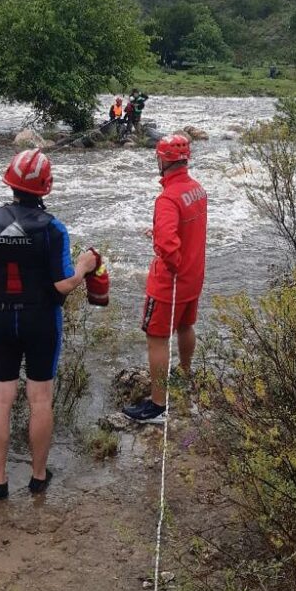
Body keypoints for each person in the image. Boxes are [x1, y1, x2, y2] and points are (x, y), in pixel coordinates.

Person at [0, 149, 97, 497]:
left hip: (0, 317)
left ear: (9, 182)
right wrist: (84, 266)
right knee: (40, 399)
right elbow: (63, 284)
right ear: (45, 187)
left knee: (0, 398)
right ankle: (38, 478)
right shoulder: (52, 228)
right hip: (41, 319)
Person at [123, 134, 207, 424]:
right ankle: (184, 376)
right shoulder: (197, 189)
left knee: (156, 339)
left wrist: (162, 242)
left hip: (170, 281)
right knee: (186, 325)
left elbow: (170, 247)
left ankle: (158, 406)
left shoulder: (167, 198)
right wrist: (160, 232)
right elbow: (185, 231)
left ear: (162, 160)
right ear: (186, 159)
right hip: (194, 276)